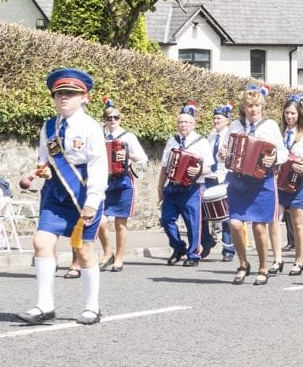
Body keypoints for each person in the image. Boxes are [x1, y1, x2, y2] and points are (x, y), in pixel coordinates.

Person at [16, 68, 107, 326]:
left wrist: (92, 202)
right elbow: (43, 159)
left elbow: (100, 166)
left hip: (83, 193)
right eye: (59, 94)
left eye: (70, 93)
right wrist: (42, 170)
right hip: (55, 194)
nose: (64, 98)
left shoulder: (91, 128)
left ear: (84, 97)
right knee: (41, 242)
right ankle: (44, 305)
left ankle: (92, 307)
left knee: (83, 249)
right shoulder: (48, 127)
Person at [223, 84, 287, 286]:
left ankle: (263, 267)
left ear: (262, 106)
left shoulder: (270, 126)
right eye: (249, 105)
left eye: (257, 105)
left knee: (260, 228)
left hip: (262, 181)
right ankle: (243, 264)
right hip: (239, 181)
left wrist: (273, 158)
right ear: (244, 107)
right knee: (234, 223)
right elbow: (224, 151)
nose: (253, 109)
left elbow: (283, 153)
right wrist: (222, 154)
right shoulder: (235, 126)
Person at [158, 103, 213, 268]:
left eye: (187, 122)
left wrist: (197, 170)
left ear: (193, 124)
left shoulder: (201, 142)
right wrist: (160, 188)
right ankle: (178, 247)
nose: (183, 125)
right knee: (166, 220)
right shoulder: (172, 141)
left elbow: (209, 167)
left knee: (192, 224)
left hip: (192, 188)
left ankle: (193, 254)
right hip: (172, 187)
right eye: (180, 122)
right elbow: (164, 167)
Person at [97, 97, 147, 273]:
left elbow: (143, 159)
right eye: (109, 118)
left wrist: (127, 155)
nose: (112, 121)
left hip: (123, 181)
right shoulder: (98, 135)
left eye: (115, 118)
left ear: (120, 119)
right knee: (99, 221)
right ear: (104, 119)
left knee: (120, 223)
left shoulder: (128, 137)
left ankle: (119, 257)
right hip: (103, 182)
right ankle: (107, 252)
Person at [277, 94, 303, 275]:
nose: (290, 117)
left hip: (299, 183)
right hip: (279, 182)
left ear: (299, 114)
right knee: (274, 220)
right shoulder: (278, 134)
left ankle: (299, 260)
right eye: (287, 113)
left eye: (293, 113)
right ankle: (278, 259)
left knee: (298, 223)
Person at [204, 104, 235, 262]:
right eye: (215, 118)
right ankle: (207, 241)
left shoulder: (230, 136)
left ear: (227, 120)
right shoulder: (210, 136)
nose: (216, 121)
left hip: (224, 178)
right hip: (210, 177)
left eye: (219, 118)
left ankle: (228, 249)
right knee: (204, 212)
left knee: (226, 216)